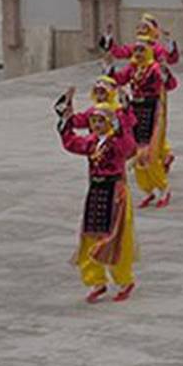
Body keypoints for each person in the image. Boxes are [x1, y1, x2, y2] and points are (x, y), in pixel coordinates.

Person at [58, 103, 139, 303]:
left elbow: (129, 149)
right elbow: (72, 143)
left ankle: (124, 280)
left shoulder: (117, 141)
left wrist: (120, 125)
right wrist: (66, 122)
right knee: (89, 237)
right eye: (93, 121)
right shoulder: (92, 142)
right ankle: (96, 281)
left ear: (109, 122)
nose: (95, 125)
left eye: (100, 121)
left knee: (114, 239)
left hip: (115, 192)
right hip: (95, 191)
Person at [100, 13, 179, 171]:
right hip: (137, 92)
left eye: (145, 27)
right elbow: (118, 52)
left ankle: (158, 155)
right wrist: (108, 39)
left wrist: (168, 44)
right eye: (139, 27)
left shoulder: (156, 48)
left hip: (156, 90)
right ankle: (157, 154)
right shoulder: (134, 57)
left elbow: (170, 59)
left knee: (157, 127)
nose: (141, 30)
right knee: (141, 128)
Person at [105, 38, 172, 208]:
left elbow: (170, 84)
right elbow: (118, 79)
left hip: (151, 110)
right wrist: (109, 69)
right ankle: (148, 190)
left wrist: (165, 74)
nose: (138, 54)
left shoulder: (154, 69)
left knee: (149, 153)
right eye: (136, 51)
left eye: (142, 50)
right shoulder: (133, 68)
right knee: (136, 152)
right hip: (135, 110)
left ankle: (163, 188)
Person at [55, 76, 137, 136]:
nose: (98, 96)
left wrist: (126, 107)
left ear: (110, 93)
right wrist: (68, 103)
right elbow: (77, 121)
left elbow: (130, 122)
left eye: (102, 92)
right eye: (96, 92)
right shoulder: (93, 110)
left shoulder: (118, 109)